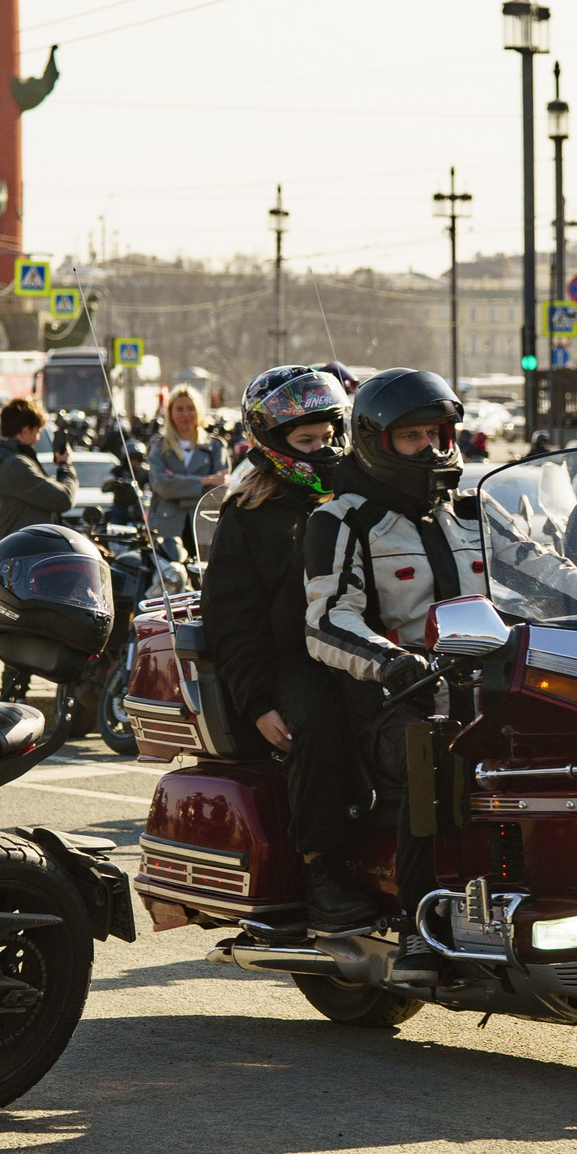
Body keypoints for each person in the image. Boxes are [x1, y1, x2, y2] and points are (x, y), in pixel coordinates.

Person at [303, 369, 478, 966]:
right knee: (438, 752)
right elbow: (326, 620)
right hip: (392, 702)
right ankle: (421, 923)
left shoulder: (475, 512)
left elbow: (548, 571)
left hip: (488, 686)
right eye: (412, 437)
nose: (429, 448)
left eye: (438, 434)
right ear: (377, 442)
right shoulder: (344, 519)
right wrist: (392, 663)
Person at [201, 364, 372, 934]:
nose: (322, 448)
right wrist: (258, 703)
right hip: (293, 663)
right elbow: (231, 619)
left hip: (360, 645)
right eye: (306, 440)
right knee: (320, 724)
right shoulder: (249, 516)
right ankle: (320, 870)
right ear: (272, 443)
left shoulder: (357, 500)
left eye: (328, 437)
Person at [0, 396, 75, 543]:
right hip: (26, 553)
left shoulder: (3, 460)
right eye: (37, 432)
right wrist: (65, 466)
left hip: (19, 548)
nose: (38, 439)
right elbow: (63, 499)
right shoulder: (14, 465)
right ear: (25, 431)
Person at [149, 387, 228, 557]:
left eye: (190, 408)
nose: (186, 414)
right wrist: (205, 481)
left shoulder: (215, 446)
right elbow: (162, 485)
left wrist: (177, 483)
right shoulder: (159, 446)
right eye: (179, 409)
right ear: (170, 413)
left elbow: (220, 489)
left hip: (204, 526)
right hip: (167, 528)